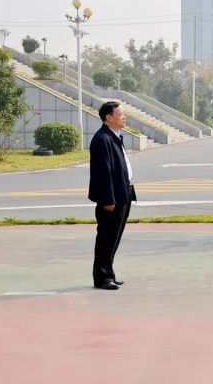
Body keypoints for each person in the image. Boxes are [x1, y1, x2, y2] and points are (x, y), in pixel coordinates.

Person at [88, 101, 136, 290]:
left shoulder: (114, 136)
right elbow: (103, 172)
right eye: (120, 114)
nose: (124, 117)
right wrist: (108, 199)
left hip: (123, 193)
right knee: (106, 238)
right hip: (112, 198)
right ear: (109, 117)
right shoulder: (102, 139)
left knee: (114, 237)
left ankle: (108, 273)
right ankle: (101, 278)